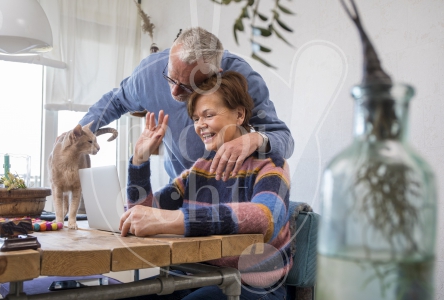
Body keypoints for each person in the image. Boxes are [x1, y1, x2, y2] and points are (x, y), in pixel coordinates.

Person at [119, 71, 291, 299]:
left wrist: (177, 219)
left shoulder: (270, 163)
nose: (200, 125)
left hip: (252, 285)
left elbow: (265, 217)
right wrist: (139, 161)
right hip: (196, 276)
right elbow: (143, 211)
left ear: (239, 115)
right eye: (196, 119)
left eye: (208, 115)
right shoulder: (200, 168)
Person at [79, 27, 294, 181]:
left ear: (215, 77)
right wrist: (77, 134)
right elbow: (115, 101)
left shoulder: (243, 79)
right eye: (171, 78)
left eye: (188, 86)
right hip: (183, 190)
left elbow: (284, 139)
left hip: (232, 194)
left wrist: (254, 139)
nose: (174, 91)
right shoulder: (150, 72)